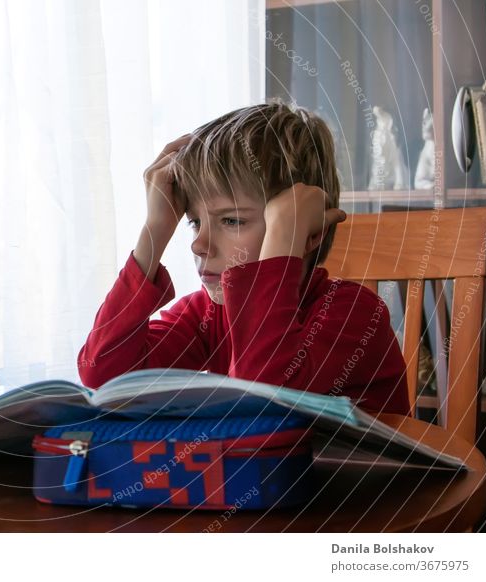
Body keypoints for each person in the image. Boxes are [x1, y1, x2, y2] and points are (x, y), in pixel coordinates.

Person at [77, 103, 410, 415]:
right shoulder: (210, 315)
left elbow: (261, 401)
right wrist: (155, 229)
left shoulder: (355, 314)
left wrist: (283, 241)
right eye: (194, 222)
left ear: (306, 233)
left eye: (232, 220)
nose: (198, 245)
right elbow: (104, 375)